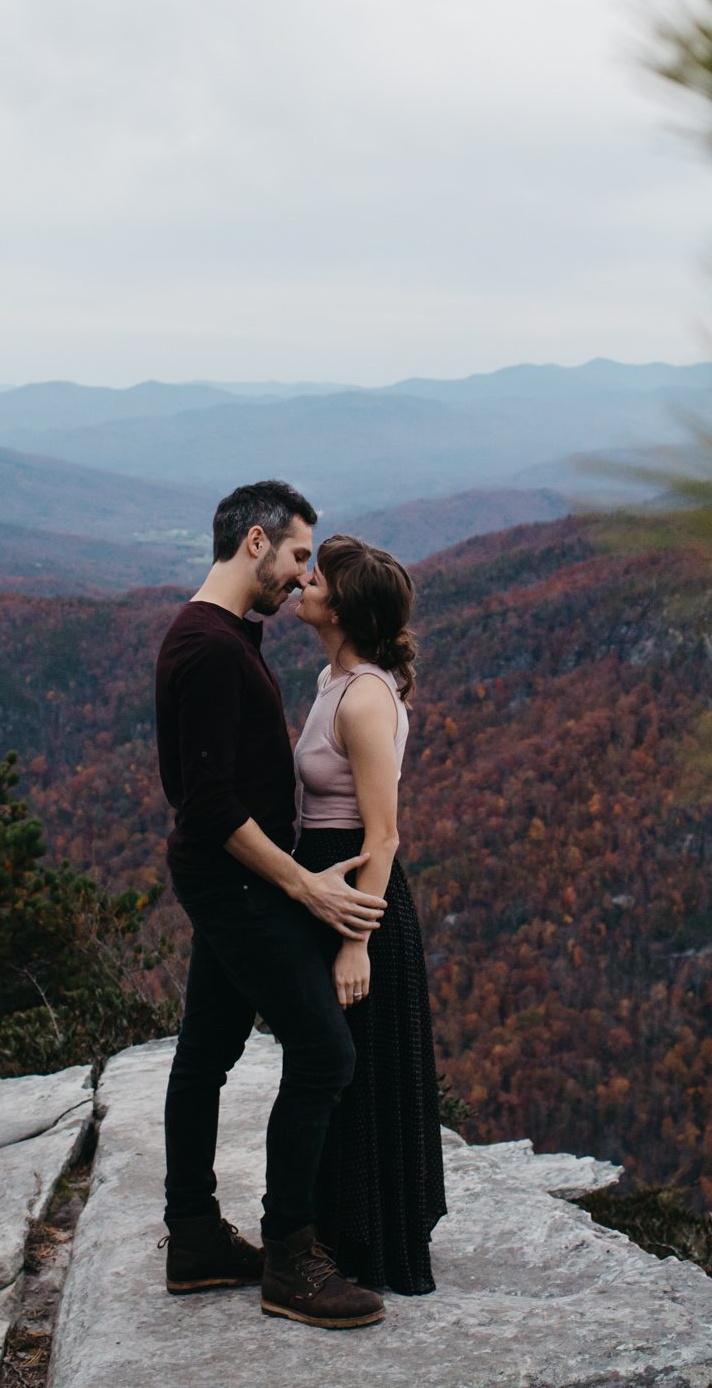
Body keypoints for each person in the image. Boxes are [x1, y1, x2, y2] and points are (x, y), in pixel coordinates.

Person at [154, 480, 389, 1330]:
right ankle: (291, 1255)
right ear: (255, 542)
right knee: (326, 1055)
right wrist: (300, 881)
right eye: (297, 556)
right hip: (241, 884)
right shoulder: (213, 647)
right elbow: (208, 802)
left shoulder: (219, 634)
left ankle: (193, 1237)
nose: (301, 578)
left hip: (227, 881)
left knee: (207, 1051)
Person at [292, 535, 447, 1294]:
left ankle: (365, 1244)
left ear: (344, 607)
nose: (303, 580)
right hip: (336, 894)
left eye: (316, 576)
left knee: (356, 1069)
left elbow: (383, 832)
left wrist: (358, 942)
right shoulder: (335, 677)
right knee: (340, 1069)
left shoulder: (362, 699)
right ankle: (336, 1233)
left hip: (362, 901)